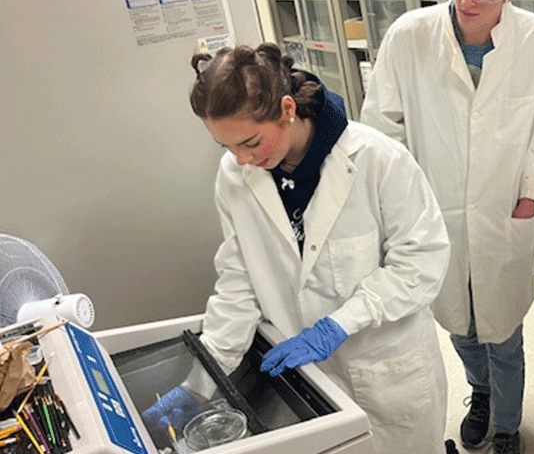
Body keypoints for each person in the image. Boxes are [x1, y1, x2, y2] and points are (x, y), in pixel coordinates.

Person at [143, 43, 453, 454]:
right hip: (308, 382)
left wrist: (340, 323)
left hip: (385, 373)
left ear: (287, 108)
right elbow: (239, 281)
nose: (240, 160)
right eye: (226, 147)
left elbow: (421, 261)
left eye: (250, 142)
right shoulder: (236, 177)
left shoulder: (378, 160)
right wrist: (200, 383)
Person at [360, 0, 534, 454]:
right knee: (459, 323)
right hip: (434, 213)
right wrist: (399, 211)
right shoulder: (410, 36)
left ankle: (507, 426)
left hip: (506, 212)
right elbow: (381, 130)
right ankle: (480, 395)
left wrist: (530, 188)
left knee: (504, 330)